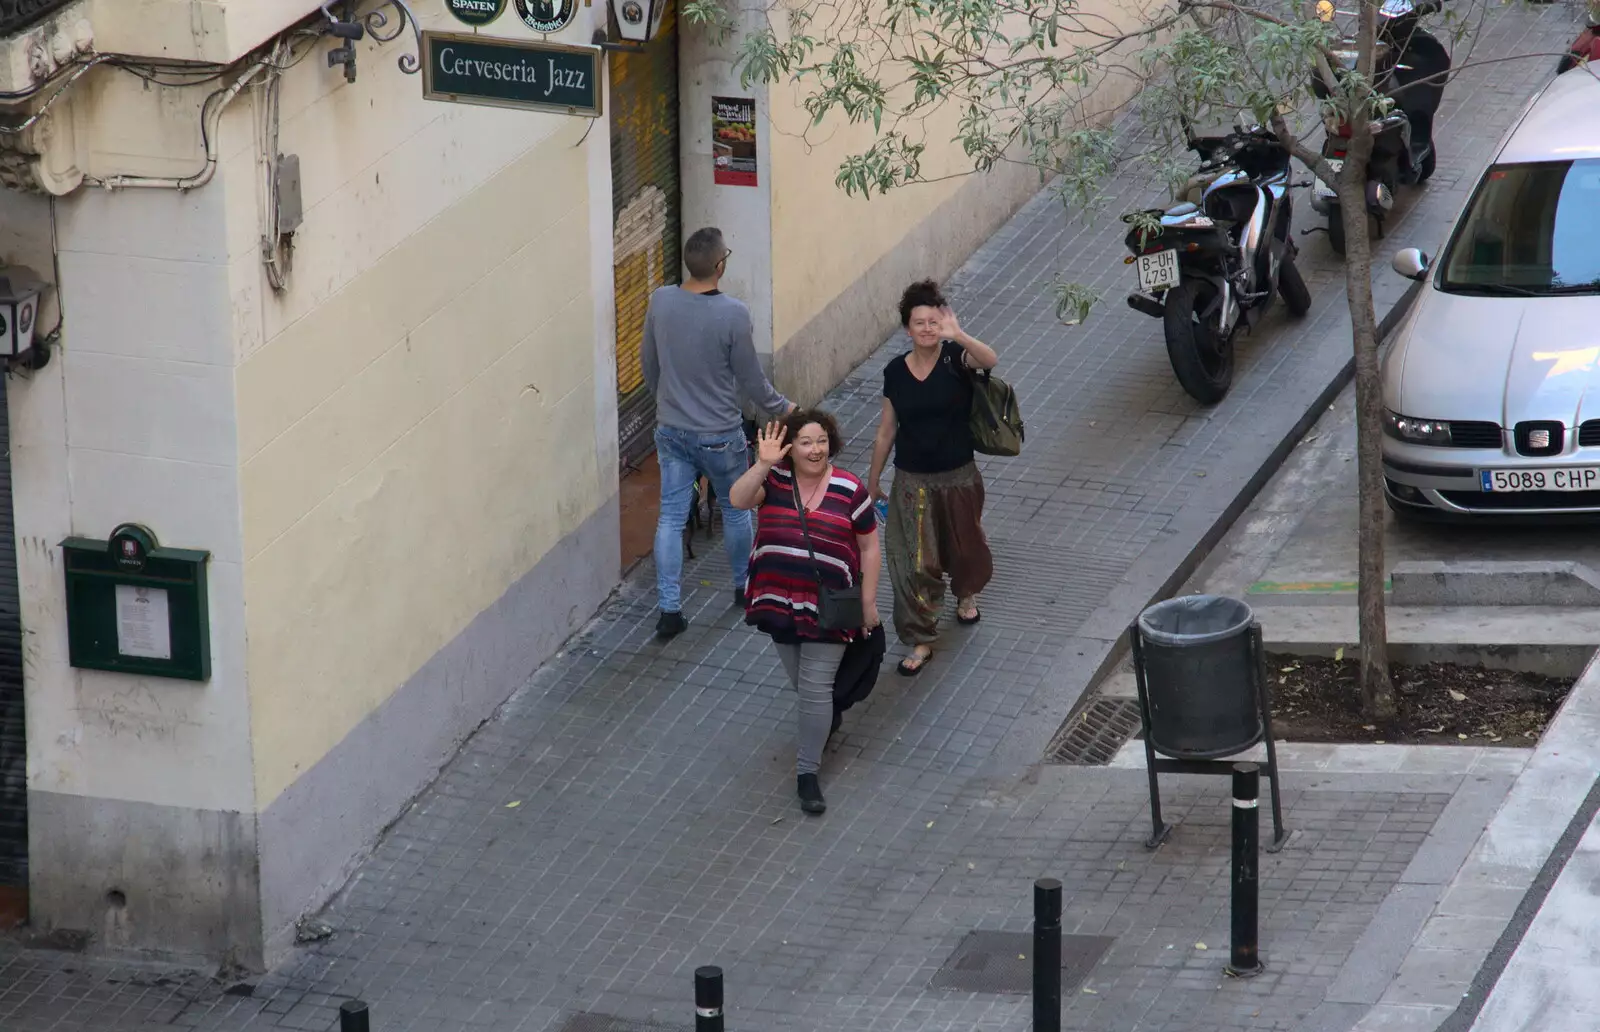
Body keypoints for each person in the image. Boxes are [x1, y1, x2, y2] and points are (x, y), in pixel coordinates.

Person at [642, 227, 793, 640]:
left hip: (672, 431)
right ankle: (745, 586)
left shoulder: (660, 301)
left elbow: (648, 366)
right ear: (720, 265)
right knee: (736, 508)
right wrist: (785, 409)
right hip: (721, 434)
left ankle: (669, 609)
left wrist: (668, 404)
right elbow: (752, 380)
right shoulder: (733, 313)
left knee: (670, 518)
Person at [732, 409, 881, 815]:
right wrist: (762, 464)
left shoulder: (850, 490)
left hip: (829, 608)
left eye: (822, 441)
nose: (816, 450)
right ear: (790, 449)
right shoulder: (774, 481)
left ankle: (807, 774)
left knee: (814, 689)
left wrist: (868, 602)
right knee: (804, 685)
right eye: (806, 442)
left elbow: (869, 546)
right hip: (776, 600)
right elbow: (738, 499)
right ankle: (825, 719)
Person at [867, 279, 998, 677]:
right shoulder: (894, 372)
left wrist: (958, 334)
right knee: (912, 564)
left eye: (933, 322)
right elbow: (886, 431)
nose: (926, 329)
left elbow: (990, 360)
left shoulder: (957, 358)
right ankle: (920, 637)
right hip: (911, 481)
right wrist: (872, 483)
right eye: (918, 322)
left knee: (963, 548)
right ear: (906, 329)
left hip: (958, 476)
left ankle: (965, 592)